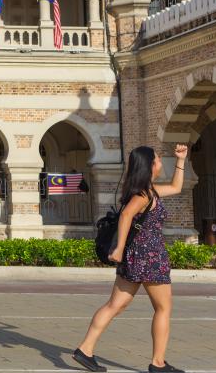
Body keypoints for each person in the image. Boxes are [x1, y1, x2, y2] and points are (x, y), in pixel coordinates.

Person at [73, 144, 188, 373]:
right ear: (149, 166)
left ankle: (85, 350)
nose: (158, 163)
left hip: (136, 257)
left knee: (116, 304)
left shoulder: (146, 191)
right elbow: (125, 216)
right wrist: (119, 247)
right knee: (163, 308)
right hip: (150, 257)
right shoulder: (143, 194)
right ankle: (158, 363)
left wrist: (181, 160)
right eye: (156, 160)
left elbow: (176, 187)